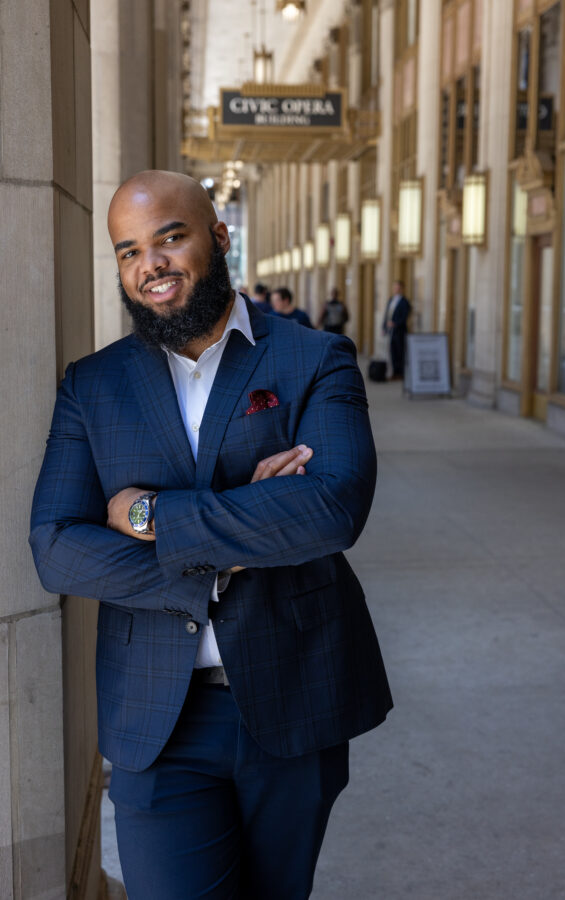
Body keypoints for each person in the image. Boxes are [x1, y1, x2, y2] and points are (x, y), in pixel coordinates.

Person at [29, 170, 392, 900]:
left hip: (295, 696)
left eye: (169, 237)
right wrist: (239, 540)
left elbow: (331, 510)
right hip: (158, 717)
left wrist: (150, 516)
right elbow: (57, 546)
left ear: (217, 237)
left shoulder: (312, 359)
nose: (150, 264)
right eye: (129, 251)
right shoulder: (92, 385)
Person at [382, 279, 412, 380]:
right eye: (394, 287)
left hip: (399, 331)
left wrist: (395, 323)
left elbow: (404, 317)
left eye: (398, 287)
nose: (396, 289)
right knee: (392, 351)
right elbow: (386, 315)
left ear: (402, 289)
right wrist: (384, 327)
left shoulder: (405, 302)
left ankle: (400, 373)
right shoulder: (391, 300)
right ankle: (394, 372)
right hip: (391, 331)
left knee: (400, 352)